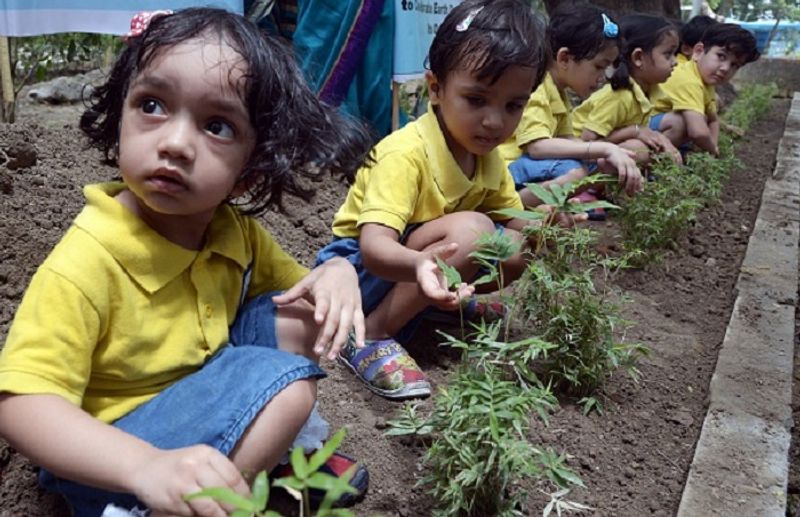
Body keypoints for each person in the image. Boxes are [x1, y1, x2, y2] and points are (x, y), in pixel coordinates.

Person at [0, 8, 373, 516]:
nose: (175, 143)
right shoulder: (87, 261)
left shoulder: (231, 229)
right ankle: (197, 502)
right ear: (119, 122)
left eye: (216, 125)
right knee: (285, 388)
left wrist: (336, 271)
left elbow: (300, 295)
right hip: (112, 455)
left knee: (304, 317)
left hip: (196, 401)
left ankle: (255, 466)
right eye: (152, 105)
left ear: (249, 172)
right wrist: (144, 467)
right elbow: (21, 403)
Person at [316, 0, 558, 400]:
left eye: (513, 105)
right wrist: (422, 265)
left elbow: (514, 219)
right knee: (475, 230)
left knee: (516, 246)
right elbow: (374, 248)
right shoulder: (404, 153)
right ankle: (370, 334)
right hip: (357, 275)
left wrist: (543, 229)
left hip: (415, 268)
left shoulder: (486, 156)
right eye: (476, 99)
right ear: (435, 88)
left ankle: (429, 311)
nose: (495, 121)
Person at [498, 2, 643, 210]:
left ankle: (544, 205)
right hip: (508, 168)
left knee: (597, 162)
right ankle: (510, 208)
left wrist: (603, 155)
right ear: (565, 58)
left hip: (528, 167)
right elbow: (537, 146)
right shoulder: (537, 87)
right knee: (575, 173)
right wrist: (604, 147)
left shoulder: (558, 90)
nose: (603, 77)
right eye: (599, 66)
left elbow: (566, 138)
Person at [572, 14, 682, 166]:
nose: (675, 62)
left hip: (597, 153)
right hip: (575, 160)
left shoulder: (648, 91)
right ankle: (593, 187)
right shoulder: (619, 97)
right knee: (638, 149)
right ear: (638, 58)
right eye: (668, 54)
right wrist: (634, 131)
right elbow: (586, 142)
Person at [651, 22, 759, 157]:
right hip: (642, 127)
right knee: (681, 123)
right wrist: (713, 151)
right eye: (721, 56)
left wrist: (712, 149)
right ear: (698, 52)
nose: (725, 68)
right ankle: (654, 165)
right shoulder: (688, 80)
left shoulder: (705, 82)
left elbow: (713, 120)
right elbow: (698, 132)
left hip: (659, 127)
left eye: (734, 65)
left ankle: (679, 153)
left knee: (701, 117)